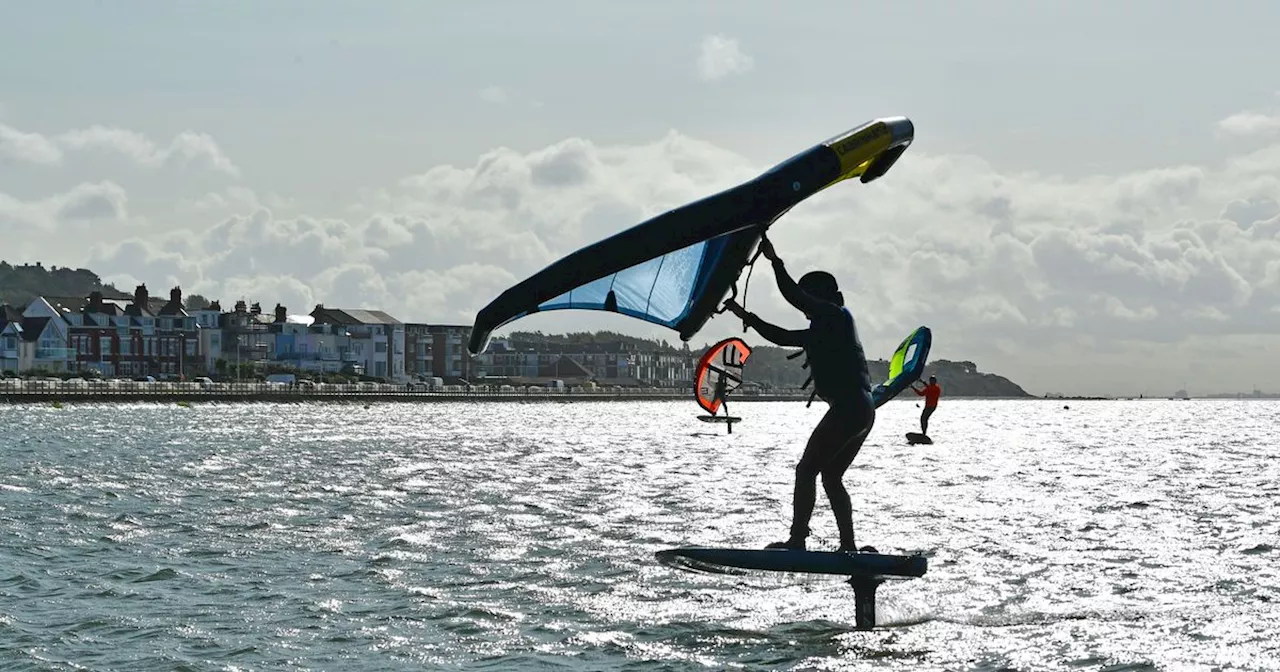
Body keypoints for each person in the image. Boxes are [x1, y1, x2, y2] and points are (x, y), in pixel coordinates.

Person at [723, 236, 874, 552]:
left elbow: (793, 295)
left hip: (849, 408)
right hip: (862, 410)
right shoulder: (826, 328)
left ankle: (797, 541)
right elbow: (781, 335)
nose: (806, 308)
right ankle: (848, 547)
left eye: (810, 300)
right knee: (831, 478)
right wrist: (743, 314)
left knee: (807, 469)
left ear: (822, 298)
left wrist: (774, 260)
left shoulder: (836, 316)